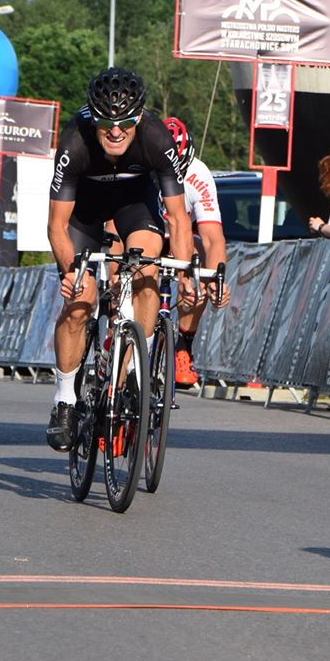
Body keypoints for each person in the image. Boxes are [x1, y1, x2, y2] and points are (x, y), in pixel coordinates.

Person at [45, 69, 197, 450]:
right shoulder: (74, 142)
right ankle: (65, 399)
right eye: (106, 123)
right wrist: (71, 272)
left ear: (140, 117)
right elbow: (56, 226)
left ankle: (137, 369)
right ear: (93, 118)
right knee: (80, 301)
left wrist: (185, 276)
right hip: (84, 210)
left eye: (126, 123)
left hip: (134, 202)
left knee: (147, 269)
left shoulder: (157, 138)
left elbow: (178, 219)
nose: (116, 131)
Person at [163, 115, 231, 390]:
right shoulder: (142, 166)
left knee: (200, 265)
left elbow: (213, 238)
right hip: (150, 230)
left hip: (182, 235)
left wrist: (216, 280)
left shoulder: (198, 174)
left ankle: (183, 345)